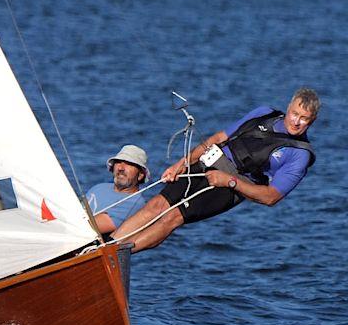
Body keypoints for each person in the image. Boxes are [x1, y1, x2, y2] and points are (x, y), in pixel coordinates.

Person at [112, 88, 319, 253]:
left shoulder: (299, 155)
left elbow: (271, 197)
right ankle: (106, 246)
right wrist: (181, 163)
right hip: (206, 163)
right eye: (294, 113)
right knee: (156, 204)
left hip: (230, 186)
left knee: (172, 217)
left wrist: (228, 181)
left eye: (304, 118)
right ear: (288, 107)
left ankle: (119, 254)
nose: (296, 121)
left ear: (312, 121)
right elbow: (218, 138)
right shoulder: (264, 113)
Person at [86, 145, 150, 235]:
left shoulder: (135, 203)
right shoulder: (98, 187)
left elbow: (87, 228)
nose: (121, 168)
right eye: (118, 162)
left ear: (140, 175)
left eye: (129, 164)